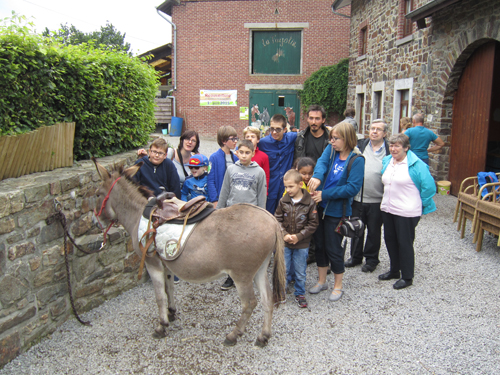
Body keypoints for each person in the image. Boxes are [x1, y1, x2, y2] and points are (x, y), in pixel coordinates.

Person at [307, 122, 365, 302]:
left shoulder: (357, 160)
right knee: (320, 247)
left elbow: (352, 188)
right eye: (331, 138)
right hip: (320, 208)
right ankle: (322, 281)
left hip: (337, 212)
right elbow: (322, 164)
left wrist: (325, 194)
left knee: (334, 248)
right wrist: (317, 176)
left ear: (347, 139)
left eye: (336, 138)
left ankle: (338, 285)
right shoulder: (331, 151)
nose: (332, 141)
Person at [378, 133, 436, 289]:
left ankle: (407, 276)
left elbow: (429, 188)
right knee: (390, 240)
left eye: (397, 146)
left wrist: (419, 203)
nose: (393, 148)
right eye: (391, 145)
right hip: (388, 208)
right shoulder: (388, 161)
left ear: (406, 148)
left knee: (404, 243)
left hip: (407, 211)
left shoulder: (417, 165)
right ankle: (394, 270)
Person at [218, 139, 267, 290]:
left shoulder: (259, 172)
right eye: (241, 152)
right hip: (232, 215)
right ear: (236, 152)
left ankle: (249, 274)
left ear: (253, 153)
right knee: (231, 246)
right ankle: (231, 276)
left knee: (247, 246)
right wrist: (219, 211)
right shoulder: (231, 169)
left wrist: (261, 218)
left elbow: (261, 196)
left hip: (250, 216)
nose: (244, 156)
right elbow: (224, 191)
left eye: (247, 153)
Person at [346, 120, 390, 272]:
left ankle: (371, 259)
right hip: (358, 197)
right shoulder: (361, 145)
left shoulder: (389, 150)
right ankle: (355, 257)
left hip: (378, 199)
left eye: (379, 129)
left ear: (385, 134)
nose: (374, 132)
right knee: (356, 228)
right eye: (372, 128)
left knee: (374, 231)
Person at [275, 169, 318, 308]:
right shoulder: (283, 201)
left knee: (300, 270)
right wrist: (284, 234)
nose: (288, 190)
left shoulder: (309, 203)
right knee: (284, 268)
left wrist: (299, 236)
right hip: (286, 242)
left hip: (302, 243)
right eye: (286, 187)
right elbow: (277, 219)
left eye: (291, 186)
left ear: (300, 184)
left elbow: (313, 224)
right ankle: (281, 290)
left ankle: (300, 292)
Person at [258, 114, 298, 214]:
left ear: (285, 129)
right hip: (271, 185)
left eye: (278, 129)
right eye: (272, 129)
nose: (274, 132)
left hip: (286, 186)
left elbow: (306, 133)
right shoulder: (263, 143)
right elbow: (247, 147)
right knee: (268, 213)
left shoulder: (291, 138)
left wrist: (327, 128)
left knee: (285, 213)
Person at [207, 126, 239, 207]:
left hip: (233, 199)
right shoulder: (214, 157)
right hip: (220, 200)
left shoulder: (236, 158)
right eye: (232, 139)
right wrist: (214, 200)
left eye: (236, 138)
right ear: (224, 141)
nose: (235, 141)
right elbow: (210, 180)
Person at [243, 126, 270, 193]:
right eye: (247, 137)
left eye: (252, 137)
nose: (250, 139)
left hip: (256, 190)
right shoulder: (238, 155)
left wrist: (264, 192)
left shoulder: (263, 156)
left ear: (258, 140)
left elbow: (266, 177)